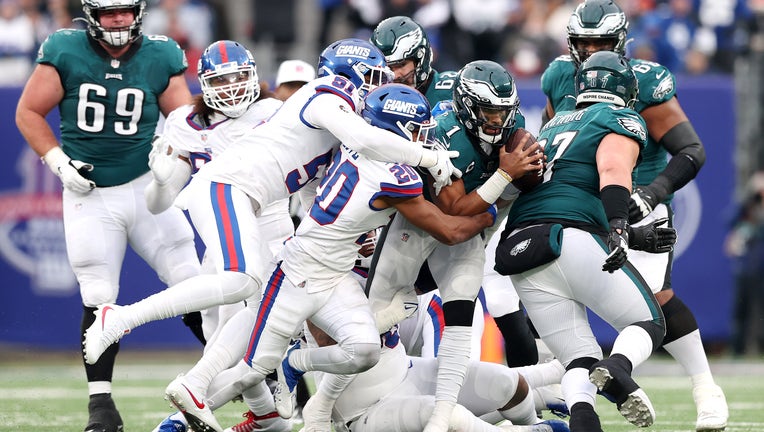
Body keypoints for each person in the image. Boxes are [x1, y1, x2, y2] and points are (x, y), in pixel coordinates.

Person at [81, 37, 462, 367]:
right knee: (239, 281)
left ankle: (252, 399)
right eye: (376, 77)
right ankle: (118, 318)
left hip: (248, 200)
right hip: (227, 188)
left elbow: (318, 190)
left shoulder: (331, 120)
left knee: (259, 296)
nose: (378, 88)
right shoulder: (328, 94)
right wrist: (429, 157)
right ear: (351, 75)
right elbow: (365, 139)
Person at [162, 83, 498, 432]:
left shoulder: (349, 145)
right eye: (416, 130)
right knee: (252, 370)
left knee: (365, 348)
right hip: (299, 273)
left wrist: (356, 231)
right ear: (396, 128)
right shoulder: (397, 177)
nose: (422, 139)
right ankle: (177, 418)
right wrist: (497, 197)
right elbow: (450, 231)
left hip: (337, 274)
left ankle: (295, 363)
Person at [540, 1, 728, 430]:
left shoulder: (645, 81)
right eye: (583, 43)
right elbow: (555, 142)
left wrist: (652, 192)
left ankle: (704, 388)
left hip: (633, 199)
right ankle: (567, 392)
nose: (590, 52)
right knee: (558, 298)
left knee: (656, 299)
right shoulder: (557, 76)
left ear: (620, 43)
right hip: (579, 205)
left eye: (600, 43)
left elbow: (692, 150)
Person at [14, 1, 200, 431]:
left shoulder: (161, 53)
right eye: (108, 12)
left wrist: (172, 158)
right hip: (90, 192)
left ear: (137, 12)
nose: (117, 20)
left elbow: (184, 119)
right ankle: (101, 406)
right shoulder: (64, 49)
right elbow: (28, 111)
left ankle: (241, 377)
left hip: (145, 187)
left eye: (124, 11)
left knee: (194, 283)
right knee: (98, 294)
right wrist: (58, 162)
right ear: (91, 15)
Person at [498, 50, 675, 432]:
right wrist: (620, 227)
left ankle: (583, 418)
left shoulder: (552, 124)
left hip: (521, 248)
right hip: (570, 235)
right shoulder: (618, 117)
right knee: (649, 322)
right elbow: (612, 167)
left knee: (579, 358)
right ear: (625, 89)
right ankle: (618, 368)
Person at [365, 60, 545, 432]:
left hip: (467, 238)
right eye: (488, 113)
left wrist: (528, 176)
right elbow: (454, 208)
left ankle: (442, 416)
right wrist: (506, 175)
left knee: (460, 319)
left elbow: (480, 213)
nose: (497, 123)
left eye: (503, 113)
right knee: (372, 317)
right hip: (416, 227)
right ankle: (321, 402)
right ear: (466, 106)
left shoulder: (514, 135)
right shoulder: (445, 129)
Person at [141, 39, 293, 432]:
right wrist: (159, 180)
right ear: (204, 83)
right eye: (222, 79)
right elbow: (159, 204)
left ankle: (183, 416)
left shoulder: (274, 112)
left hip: (271, 231)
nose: (232, 85)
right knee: (217, 340)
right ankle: (266, 416)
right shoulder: (186, 124)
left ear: (255, 75)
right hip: (218, 240)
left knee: (235, 336)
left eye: (241, 76)